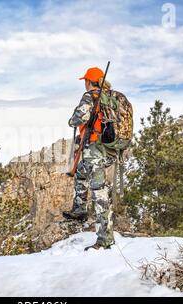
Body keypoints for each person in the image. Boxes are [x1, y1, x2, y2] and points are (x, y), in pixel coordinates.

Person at [63, 67, 117, 250]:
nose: (85, 84)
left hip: (95, 150)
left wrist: (72, 119)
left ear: (89, 81)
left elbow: (78, 119)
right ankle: (79, 210)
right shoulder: (111, 97)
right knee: (80, 173)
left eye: (85, 81)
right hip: (109, 148)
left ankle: (105, 239)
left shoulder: (90, 96)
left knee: (99, 192)